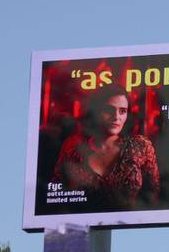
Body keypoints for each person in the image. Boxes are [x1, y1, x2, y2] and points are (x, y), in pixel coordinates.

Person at [53, 84, 160, 212]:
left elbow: (154, 195)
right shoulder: (74, 146)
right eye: (109, 110)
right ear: (96, 111)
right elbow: (56, 194)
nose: (116, 117)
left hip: (130, 226)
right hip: (82, 223)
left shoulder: (140, 146)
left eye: (122, 111)